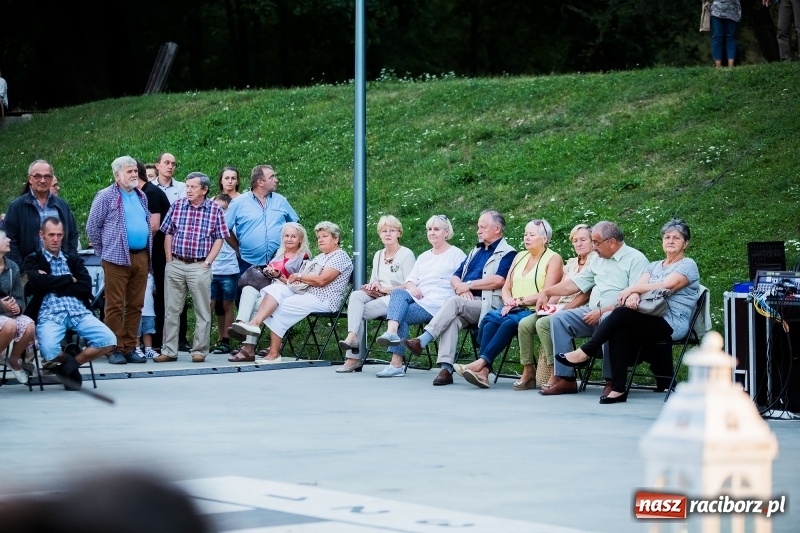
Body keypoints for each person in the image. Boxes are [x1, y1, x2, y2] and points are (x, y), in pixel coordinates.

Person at [556, 219, 700, 403]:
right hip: (649, 317)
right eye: (667, 237)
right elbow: (639, 285)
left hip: (671, 323)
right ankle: (618, 389)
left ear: (685, 243)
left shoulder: (687, 265)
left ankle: (586, 351)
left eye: (676, 238)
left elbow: (667, 285)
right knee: (620, 328)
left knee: (621, 314)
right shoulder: (654, 265)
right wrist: (633, 292)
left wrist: (632, 290)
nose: (670, 241)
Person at [399, 210, 516, 385]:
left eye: (483, 227)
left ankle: (423, 340)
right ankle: (446, 369)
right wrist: (460, 289)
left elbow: (499, 280)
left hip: (488, 304)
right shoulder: (476, 250)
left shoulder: (507, 253)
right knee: (452, 319)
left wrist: (468, 285)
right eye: (478, 227)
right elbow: (455, 276)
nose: (478, 231)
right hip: (466, 303)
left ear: (497, 228)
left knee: (453, 302)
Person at [534, 221, 649, 396]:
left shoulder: (636, 260)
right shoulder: (598, 260)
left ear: (611, 242)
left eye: (596, 242)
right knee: (558, 319)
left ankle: (611, 380)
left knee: (607, 319)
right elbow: (575, 284)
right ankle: (566, 379)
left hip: (617, 317)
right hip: (591, 313)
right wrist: (547, 292)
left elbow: (633, 299)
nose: (593, 247)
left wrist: (603, 312)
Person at [459, 219, 564, 389]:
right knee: (492, 320)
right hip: (513, 306)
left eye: (532, 235)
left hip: (535, 308)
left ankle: (481, 365)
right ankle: (483, 373)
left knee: (509, 322)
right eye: (525, 234)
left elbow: (548, 292)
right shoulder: (519, 256)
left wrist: (518, 301)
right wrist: (508, 300)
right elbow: (507, 286)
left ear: (545, 239)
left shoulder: (553, 258)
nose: (526, 238)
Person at [231, 221, 353, 363]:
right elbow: (297, 282)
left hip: (324, 299)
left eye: (324, 236)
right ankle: (255, 324)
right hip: (308, 293)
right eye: (319, 237)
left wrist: (300, 276)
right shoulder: (320, 257)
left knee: (279, 306)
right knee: (275, 289)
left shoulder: (339, 256)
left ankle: (274, 353)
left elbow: (322, 281)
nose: (320, 240)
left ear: (336, 239)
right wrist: (279, 277)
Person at [23, 217, 116, 390]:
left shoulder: (73, 260)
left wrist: (52, 282)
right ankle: (69, 360)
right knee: (49, 351)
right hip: (50, 314)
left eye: (59, 235)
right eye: (51, 235)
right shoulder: (33, 259)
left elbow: (85, 286)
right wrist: (69, 279)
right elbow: (38, 283)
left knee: (109, 340)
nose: (55, 239)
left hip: (78, 312)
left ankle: (69, 365)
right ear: (41, 234)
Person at [373, 215, 467, 378]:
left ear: (447, 232)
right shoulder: (424, 256)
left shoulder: (456, 254)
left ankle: (396, 364)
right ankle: (392, 332)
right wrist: (413, 287)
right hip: (418, 297)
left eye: (436, 229)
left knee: (399, 315)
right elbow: (410, 280)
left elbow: (463, 280)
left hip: (438, 303)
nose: (432, 233)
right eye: (429, 229)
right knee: (398, 292)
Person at [155, 172, 229, 363]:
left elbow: (219, 238)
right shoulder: (178, 206)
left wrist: (207, 263)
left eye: (193, 187)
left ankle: (199, 350)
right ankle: (169, 350)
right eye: (187, 186)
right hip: (176, 263)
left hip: (199, 264)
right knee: (171, 309)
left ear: (204, 190)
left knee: (202, 310)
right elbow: (168, 233)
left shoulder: (215, 210)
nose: (188, 190)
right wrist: (169, 259)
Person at [86, 156, 151, 365]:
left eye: (135, 171)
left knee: (136, 304)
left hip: (140, 256)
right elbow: (92, 227)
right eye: (129, 172)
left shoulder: (141, 196)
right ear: (117, 175)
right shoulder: (106, 196)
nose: (134, 175)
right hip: (115, 259)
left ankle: (130, 347)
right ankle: (113, 348)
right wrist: (104, 252)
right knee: (114, 305)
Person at [518, 223, 596, 390]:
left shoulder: (596, 262)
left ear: (593, 242)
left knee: (543, 324)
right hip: (560, 307)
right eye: (575, 240)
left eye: (583, 239)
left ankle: (556, 371)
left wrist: (564, 311)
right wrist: (547, 306)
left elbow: (587, 293)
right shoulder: (572, 263)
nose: (579, 244)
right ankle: (528, 371)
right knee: (525, 324)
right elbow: (560, 289)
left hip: (580, 309)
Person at [336, 215, 416, 372]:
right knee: (356, 296)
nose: (388, 234)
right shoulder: (379, 254)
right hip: (379, 295)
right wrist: (372, 286)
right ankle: (352, 337)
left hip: (396, 299)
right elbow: (375, 280)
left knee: (356, 312)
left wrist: (385, 289)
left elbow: (410, 285)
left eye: (392, 230)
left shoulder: (406, 254)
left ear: (399, 233)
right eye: (384, 231)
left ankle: (353, 358)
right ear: (379, 234)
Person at [227, 221, 311, 362]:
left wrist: (279, 276)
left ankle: (248, 348)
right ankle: (241, 323)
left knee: (257, 304)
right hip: (269, 287)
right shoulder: (279, 253)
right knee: (248, 289)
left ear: (300, 239)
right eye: (286, 236)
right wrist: (268, 271)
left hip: (286, 291)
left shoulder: (304, 257)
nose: (289, 239)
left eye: (293, 236)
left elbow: (300, 282)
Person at [224, 164, 300, 277]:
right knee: (247, 293)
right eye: (272, 177)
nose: (276, 180)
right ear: (260, 182)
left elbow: (295, 225)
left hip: (280, 262)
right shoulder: (238, 203)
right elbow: (224, 229)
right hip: (248, 263)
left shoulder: (281, 200)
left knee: (277, 294)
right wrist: (237, 248)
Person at [5, 159, 79, 266]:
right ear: (30, 179)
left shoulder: (62, 206)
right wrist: (22, 269)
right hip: (29, 272)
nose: (43, 180)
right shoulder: (17, 207)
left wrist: (71, 262)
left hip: (60, 270)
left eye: (47, 176)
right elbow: (10, 240)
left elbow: (72, 235)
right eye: (38, 176)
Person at [154, 152, 191, 351]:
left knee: (180, 292)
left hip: (178, 243)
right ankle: (159, 336)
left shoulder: (183, 189)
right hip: (156, 243)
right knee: (160, 292)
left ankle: (181, 338)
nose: (170, 166)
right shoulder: (150, 189)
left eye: (174, 164)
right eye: (166, 163)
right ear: (157, 165)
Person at [136, 160, 171, 351]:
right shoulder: (146, 192)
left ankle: (157, 341)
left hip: (158, 253)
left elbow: (154, 226)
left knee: (158, 296)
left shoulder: (150, 193)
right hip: (154, 252)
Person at [0, 229, 36, 384]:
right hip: (5, 319)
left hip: (8, 316)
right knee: (10, 326)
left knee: (29, 325)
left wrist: (17, 307)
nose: (8, 239)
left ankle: (13, 360)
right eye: (4, 237)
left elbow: (20, 298)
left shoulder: (12, 267)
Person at [209, 193, 240, 355]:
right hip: (211, 270)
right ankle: (206, 339)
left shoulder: (231, 226)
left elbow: (237, 245)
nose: (218, 211)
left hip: (229, 270)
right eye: (216, 207)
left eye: (222, 209)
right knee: (211, 305)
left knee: (227, 305)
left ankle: (225, 340)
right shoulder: (208, 223)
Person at [710, 0, 741, 67]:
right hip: (718, 10)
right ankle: (720, 66)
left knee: (728, 37)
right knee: (720, 37)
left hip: (730, 9)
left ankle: (728, 66)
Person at [136, 272, 158, 359]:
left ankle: (148, 349)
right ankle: (136, 348)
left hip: (149, 309)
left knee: (148, 330)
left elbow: (154, 291)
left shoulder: (151, 276)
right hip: (137, 309)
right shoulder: (134, 275)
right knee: (136, 331)